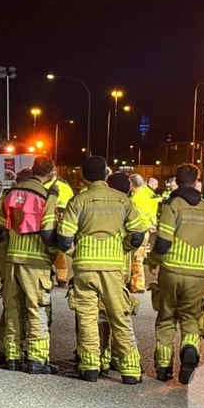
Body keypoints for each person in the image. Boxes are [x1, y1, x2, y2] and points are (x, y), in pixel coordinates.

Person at [58, 155, 147, 384]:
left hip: (84, 268)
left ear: (83, 176)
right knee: (120, 317)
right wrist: (122, 247)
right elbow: (137, 235)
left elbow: (65, 239)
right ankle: (130, 371)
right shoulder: (123, 201)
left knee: (87, 318)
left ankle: (89, 367)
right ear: (106, 175)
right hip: (113, 269)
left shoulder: (78, 201)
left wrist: (76, 253)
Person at [148, 163, 204, 384]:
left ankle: (163, 368)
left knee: (166, 318)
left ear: (176, 181)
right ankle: (190, 348)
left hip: (172, 270)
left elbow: (164, 240)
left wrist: (152, 260)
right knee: (190, 317)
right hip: (198, 274)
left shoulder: (172, 205)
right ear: (197, 181)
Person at [0, 157, 59, 374]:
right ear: (50, 174)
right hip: (36, 261)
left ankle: (12, 357)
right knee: (37, 309)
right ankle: (36, 359)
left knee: (12, 308)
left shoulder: (10, 193)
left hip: (13, 259)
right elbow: (49, 233)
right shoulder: (47, 195)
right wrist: (52, 254)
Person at [0, 167, 32, 361]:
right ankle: (28, 352)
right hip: (31, 261)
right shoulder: (38, 197)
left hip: (8, 259)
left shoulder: (7, 197)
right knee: (32, 307)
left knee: (10, 305)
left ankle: (5, 349)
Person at [129, 174, 160, 294]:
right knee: (138, 257)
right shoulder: (145, 195)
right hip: (144, 230)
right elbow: (151, 212)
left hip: (139, 231)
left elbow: (139, 216)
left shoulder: (138, 197)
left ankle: (138, 284)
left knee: (137, 258)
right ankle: (135, 283)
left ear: (132, 183)